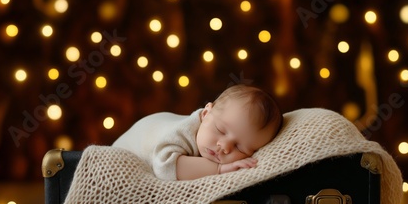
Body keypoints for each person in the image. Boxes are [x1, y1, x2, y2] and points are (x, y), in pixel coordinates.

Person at [112, 85, 282, 180]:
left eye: (240, 148)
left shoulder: (208, 134)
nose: (224, 146)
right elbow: (165, 167)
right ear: (206, 113)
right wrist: (219, 169)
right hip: (121, 153)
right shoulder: (182, 133)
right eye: (220, 130)